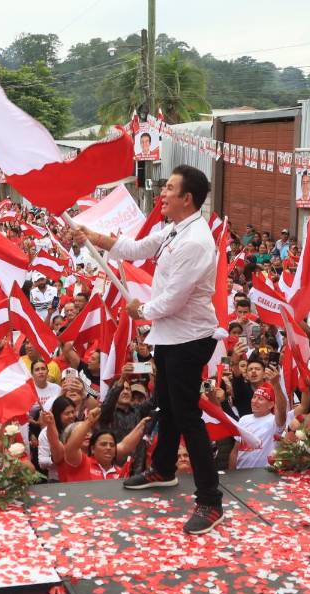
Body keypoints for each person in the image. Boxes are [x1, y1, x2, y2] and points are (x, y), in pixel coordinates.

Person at [76, 164, 223, 534]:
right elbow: (137, 248)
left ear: (187, 198)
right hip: (169, 338)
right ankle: (164, 469)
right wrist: (93, 236)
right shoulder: (175, 230)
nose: (162, 194)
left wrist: (140, 310)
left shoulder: (196, 242)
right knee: (168, 408)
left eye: (169, 189)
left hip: (189, 340)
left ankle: (210, 500)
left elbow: (173, 300)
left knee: (187, 416)